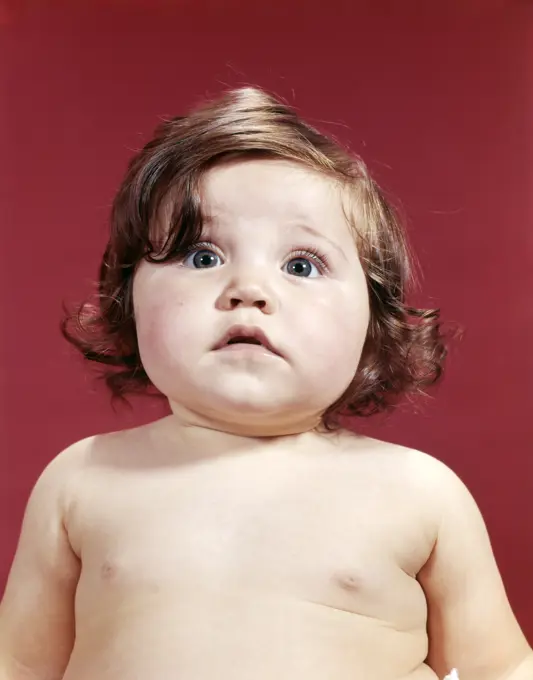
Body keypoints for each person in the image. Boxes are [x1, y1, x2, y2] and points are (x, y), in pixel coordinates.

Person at [0, 87, 531, 680]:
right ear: (126, 300)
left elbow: (503, 669)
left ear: (374, 323)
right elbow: (20, 664)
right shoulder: (83, 479)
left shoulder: (421, 493)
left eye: (301, 265)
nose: (247, 287)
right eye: (201, 256)